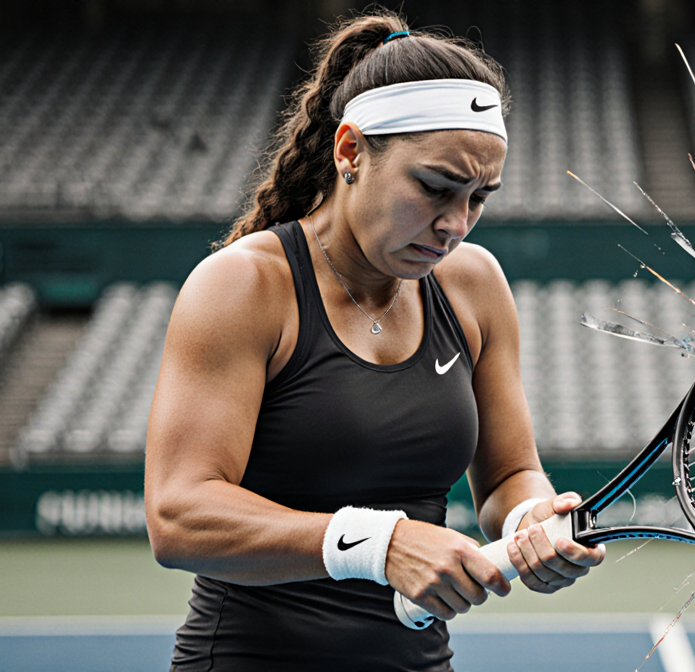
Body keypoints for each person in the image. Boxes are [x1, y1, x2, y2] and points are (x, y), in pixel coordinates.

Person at [144, 10, 605, 671]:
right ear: (350, 151)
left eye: (480, 197)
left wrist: (530, 519)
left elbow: (507, 474)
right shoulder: (243, 285)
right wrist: (378, 543)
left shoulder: (474, 284)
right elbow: (179, 514)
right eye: (435, 187)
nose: (456, 224)